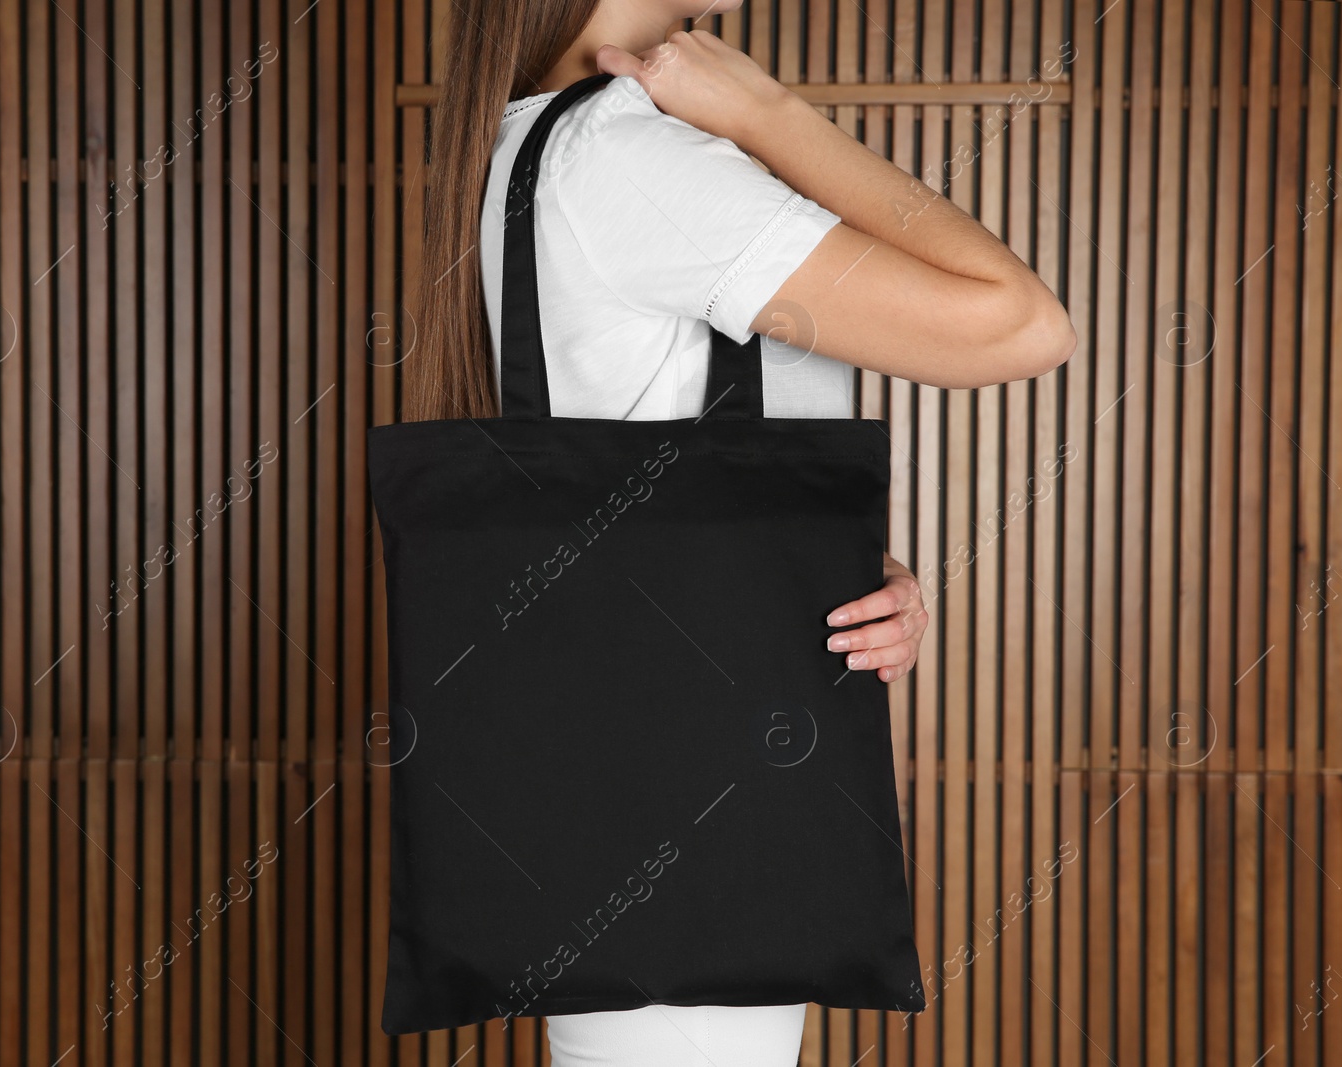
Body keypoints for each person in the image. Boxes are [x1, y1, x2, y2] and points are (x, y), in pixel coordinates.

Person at [407, 2, 1076, 1063]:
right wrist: (772, 114)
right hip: (694, 819)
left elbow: (636, 433)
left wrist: (844, 571)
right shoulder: (627, 154)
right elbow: (1022, 322)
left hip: (633, 786)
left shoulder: (540, 137)